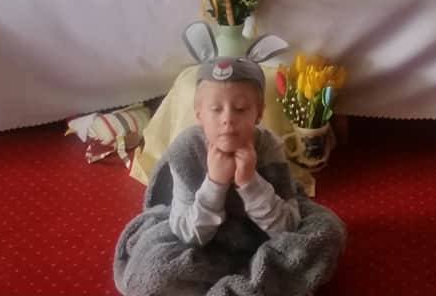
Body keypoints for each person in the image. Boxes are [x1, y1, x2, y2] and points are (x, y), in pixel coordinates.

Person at [113, 53, 346, 296]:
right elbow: (187, 235)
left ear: (258, 113)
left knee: (328, 230)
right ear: (199, 114)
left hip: (259, 237)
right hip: (205, 247)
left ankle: (252, 280)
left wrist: (250, 182)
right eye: (216, 109)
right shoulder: (186, 149)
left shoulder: (268, 146)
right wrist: (215, 184)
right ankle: (259, 285)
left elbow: (286, 227)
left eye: (241, 109)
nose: (228, 119)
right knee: (154, 272)